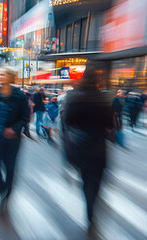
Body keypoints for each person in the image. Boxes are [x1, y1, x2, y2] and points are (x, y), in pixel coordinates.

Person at [60, 64, 113, 235]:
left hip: (80, 146)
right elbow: (110, 124)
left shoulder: (74, 97)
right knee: (95, 181)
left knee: (85, 179)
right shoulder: (102, 99)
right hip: (98, 146)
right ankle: (92, 209)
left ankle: (89, 208)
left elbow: (68, 120)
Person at [0, 67, 30, 204]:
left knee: (10, 166)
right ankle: (2, 188)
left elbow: (25, 116)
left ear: (10, 77)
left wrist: (15, 129)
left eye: (2, 74)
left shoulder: (19, 96)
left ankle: (8, 191)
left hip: (13, 139)